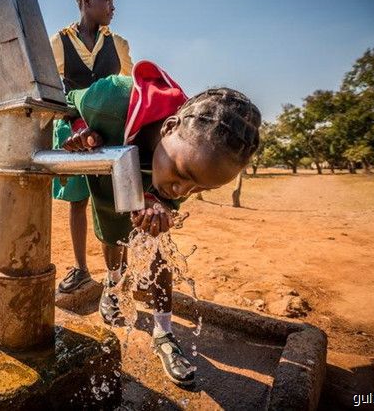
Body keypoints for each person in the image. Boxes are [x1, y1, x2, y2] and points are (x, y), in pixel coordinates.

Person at [61, 61, 261, 385]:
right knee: (112, 232)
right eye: (184, 176)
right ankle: (112, 284)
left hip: (149, 171)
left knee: (157, 245)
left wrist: (160, 201)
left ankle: (163, 332)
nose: (183, 191)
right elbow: (68, 102)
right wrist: (81, 129)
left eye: (201, 189)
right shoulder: (109, 99)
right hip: (107, 166)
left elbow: (178, 188)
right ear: (169, 128)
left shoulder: (193, 157)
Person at [50, 0, 133, 293]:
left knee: (114, 201)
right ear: (86, 1)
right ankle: (82, 269)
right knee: (78, 202)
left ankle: (119, 273)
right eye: (107, 0)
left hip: (110, 131)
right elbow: (49, 88)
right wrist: (72, 120)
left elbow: (128, 88)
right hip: (74, 127)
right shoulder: (59, 42)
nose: (113, 7)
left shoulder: (119, 44)